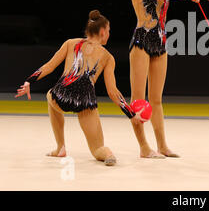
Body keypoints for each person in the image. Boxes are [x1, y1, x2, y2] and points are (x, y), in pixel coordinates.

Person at [15, 10, 144, 166]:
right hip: (85, 102)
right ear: (102, 32)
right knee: (98, 148)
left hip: (60, 98)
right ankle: (108, 154)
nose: (109, 34)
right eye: (109, 31)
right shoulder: (107, 57)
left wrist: (29, 81)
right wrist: (131, 114)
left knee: (50, 95)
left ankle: (60, 147)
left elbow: (49, 66)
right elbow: (112, 91)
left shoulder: (70, 43)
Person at [129, 0, 209, 158]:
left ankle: (162, 146)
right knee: (138, 100)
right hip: (141, 41)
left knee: (157, 99)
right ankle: (143, 147)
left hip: (160, 42)